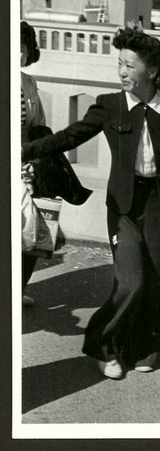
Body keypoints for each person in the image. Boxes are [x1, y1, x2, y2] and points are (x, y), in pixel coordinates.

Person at [22, 26, 160, 378]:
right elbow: (68, 137)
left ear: (152, 71)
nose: (121, 72)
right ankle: (104, 346)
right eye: (119, 64)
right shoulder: (109, 105)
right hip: (123, 207)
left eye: (129, 66)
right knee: (130, 281)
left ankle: (146, 347)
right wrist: (23, 151)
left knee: (156, 280)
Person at [21, 21, 46, 306]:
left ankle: (18, 288)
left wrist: (34, 161)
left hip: (24, 164)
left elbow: (39, 126)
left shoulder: (29, 83)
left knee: (32, 228)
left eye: (22, 49)